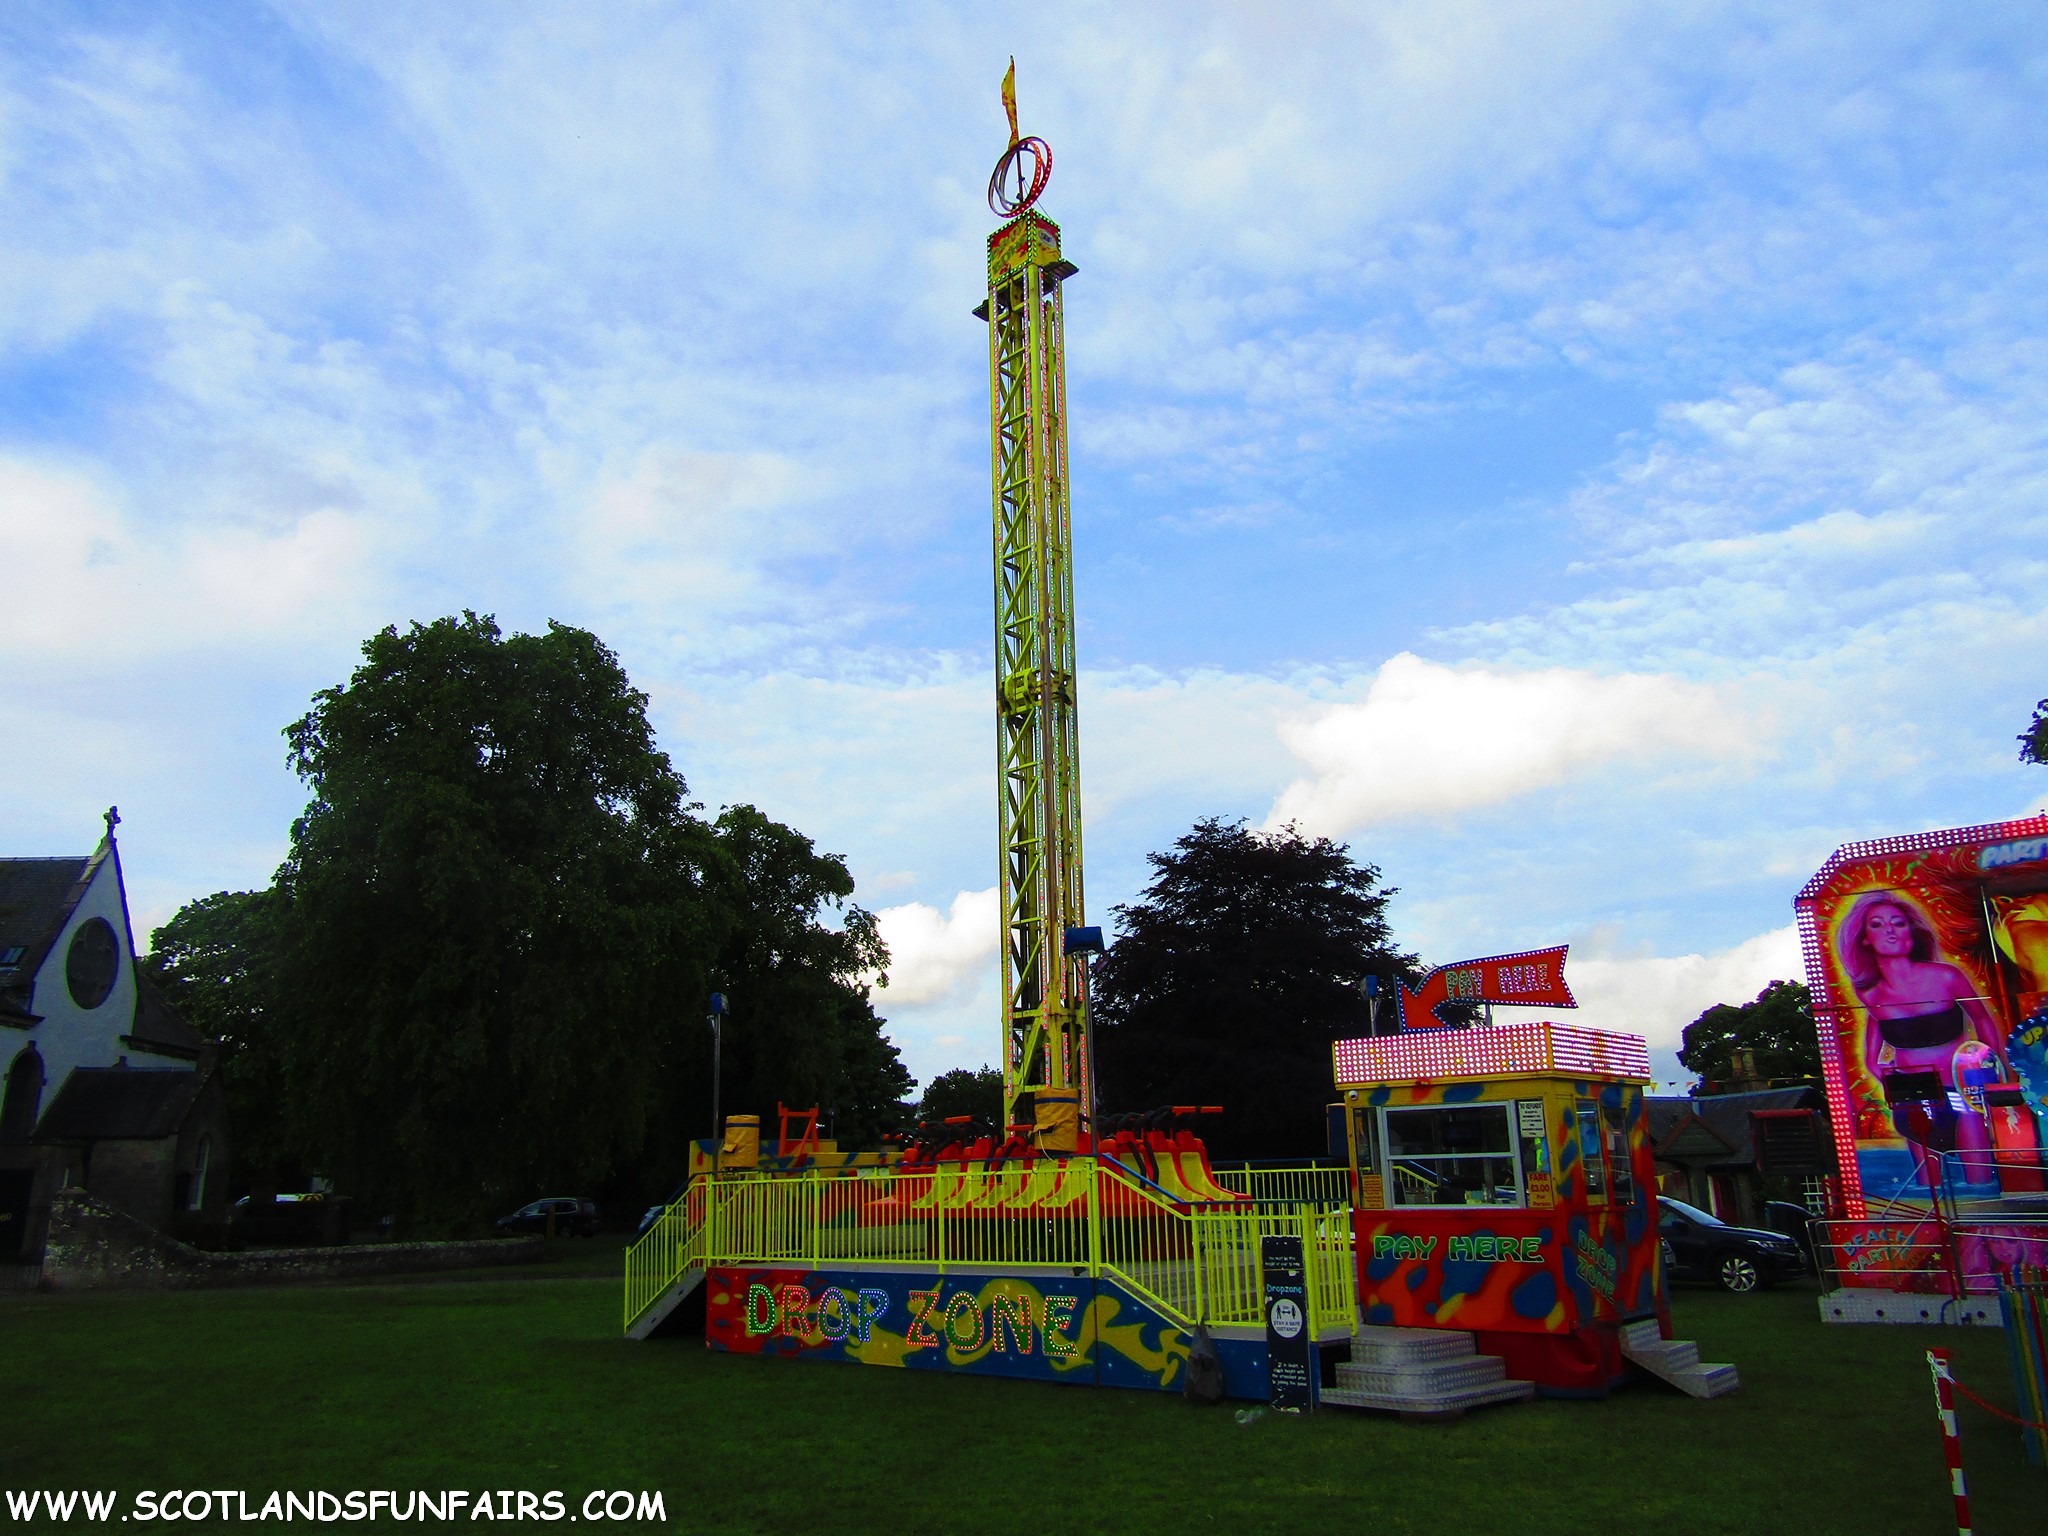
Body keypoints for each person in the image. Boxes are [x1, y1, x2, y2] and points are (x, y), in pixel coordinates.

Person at [1838, 891, 2003, 1188]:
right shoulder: (1870, 993)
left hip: (1960, 1087)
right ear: (1864, 939)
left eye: (1898, 922)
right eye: (1877, 924)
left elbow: (1981, 1019)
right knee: (1929, 1184)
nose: (1890, 930)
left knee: (1980, 1178)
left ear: (1910, 930)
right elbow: (1871, 1052)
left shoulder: (1946, 977)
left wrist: (1991, 1067)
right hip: (1912, 1094)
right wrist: (1887, 1078)